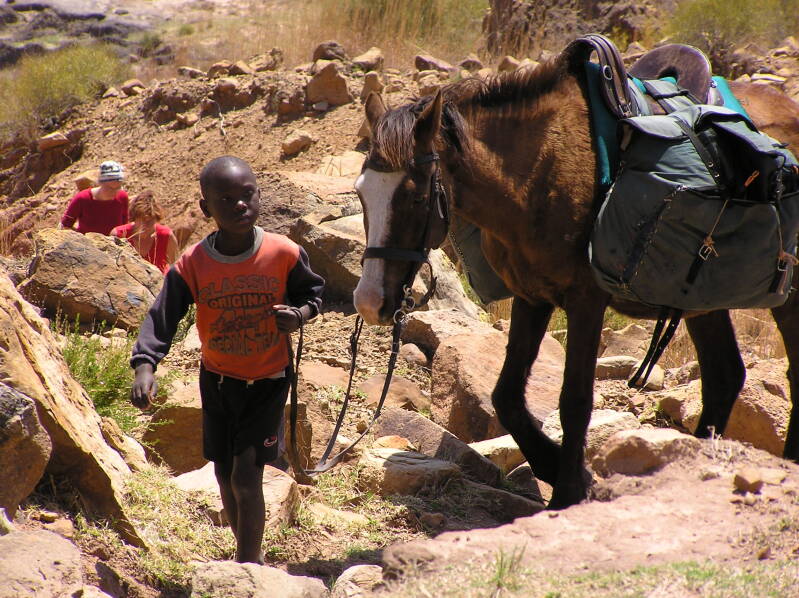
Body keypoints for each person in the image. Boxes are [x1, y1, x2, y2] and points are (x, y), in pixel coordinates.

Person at [129, 156, 324, 564]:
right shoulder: (194, 263)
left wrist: (299, 315)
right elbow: (163, 315)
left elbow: (313, 296)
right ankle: (244, 552)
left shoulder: (283, 252)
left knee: (246, 475)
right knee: (221, 472)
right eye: (226, 198)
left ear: (259, 194)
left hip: (268, 380)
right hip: (218, 380)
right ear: (206, 209)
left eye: (247, 194)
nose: (240, 205)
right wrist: (146, 363)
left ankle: (249, 565)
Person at [111, 191, 179, 274]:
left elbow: (177, 268)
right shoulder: (119, 234)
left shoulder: (166, 236)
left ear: (156, 218)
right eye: (142, 219)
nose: (146, 224)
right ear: (135, 217)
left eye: (150, 220)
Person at [60, 160, 129, 235]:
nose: (114, 192)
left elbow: (124, 225)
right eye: (110, 188)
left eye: (118, 188)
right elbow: (66, 224)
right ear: (100, 183)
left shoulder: (122, 197)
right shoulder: (83, 198)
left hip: (114, 244)